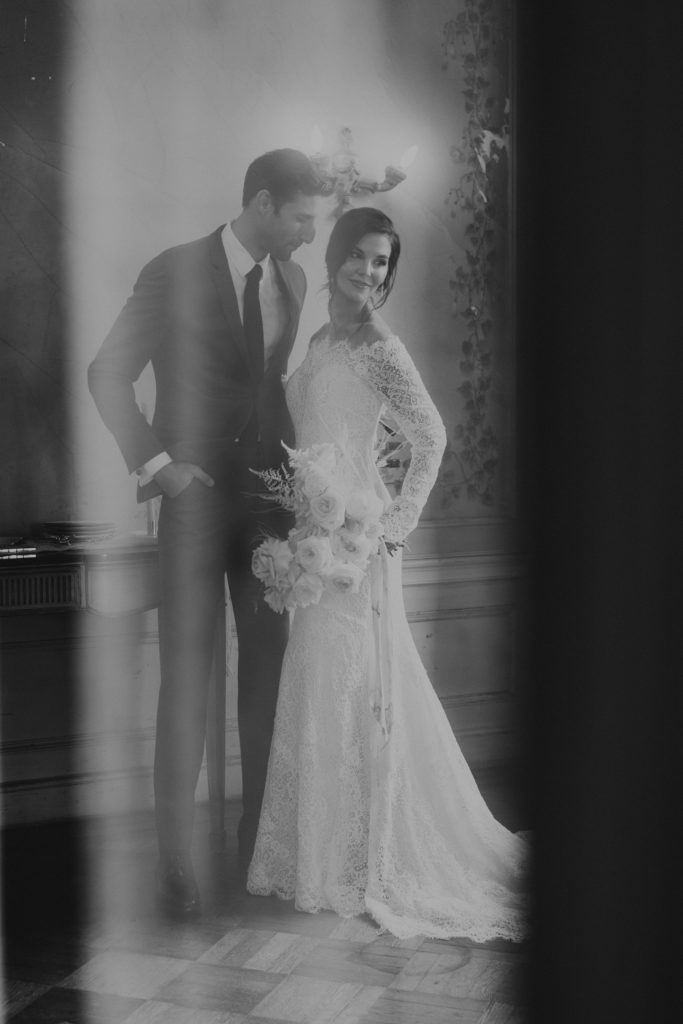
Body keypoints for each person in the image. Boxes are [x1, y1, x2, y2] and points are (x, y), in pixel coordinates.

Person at [247, 207, 529, 941]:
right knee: (317, 687)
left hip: (358, 549)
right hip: (314, 542)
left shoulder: (378, 345)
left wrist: (390, 529)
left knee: (360, 690)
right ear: (336, 255)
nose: (369, 271)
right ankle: (317, 857)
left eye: (381, 263)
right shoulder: (318, 338)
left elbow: (430, 436)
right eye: (361, 257)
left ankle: (360, 859)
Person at [88, 148, 321, 917]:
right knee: (186, 684)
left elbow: (275, 392)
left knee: (264, 679)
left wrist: (303, 491)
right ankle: (175, 868)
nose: (309, 235)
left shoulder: (292, 279)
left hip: (266, 512)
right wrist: (161, 468)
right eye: (300, 217)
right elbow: (107, 372)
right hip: (192, 505)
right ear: (261, 203)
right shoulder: (173, 269)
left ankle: (255, 848)